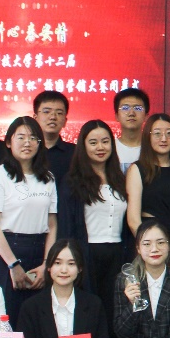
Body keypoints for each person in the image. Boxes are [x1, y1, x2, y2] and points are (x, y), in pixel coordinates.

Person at [0, 116, 58, 320]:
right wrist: (13, 265)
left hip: (39, 253)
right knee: (6, 318)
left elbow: (52, 225)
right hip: (6, 252)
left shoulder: (48, 178)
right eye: (21, 137)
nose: (27, 143)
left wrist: (46, 264)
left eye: (33, 138)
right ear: (8, 142)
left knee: (36, 320)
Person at [57, 119, 129, 314]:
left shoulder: (120, 179)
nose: (100, 147)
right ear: (83, 146)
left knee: (115, 309)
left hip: (117, 253)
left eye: (105, 141)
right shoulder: (72, 181)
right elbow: (66, 226)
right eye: (93, 142)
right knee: (88, 310)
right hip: (86, 254)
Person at [126, 113, 170, 269]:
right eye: (157, 134)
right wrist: (150, 247)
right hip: (148, 242)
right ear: (148, 136)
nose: (164, 139)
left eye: (169, 133)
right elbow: (133, 219)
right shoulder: (137, 169)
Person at [18, 238, 111, 338]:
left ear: (80, 268)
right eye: (57, 263)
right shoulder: (31, 307)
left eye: (71, 264)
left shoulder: (94, 304)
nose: (64, 270)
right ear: (49, 267)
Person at [33, 89, 73, 183]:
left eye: (59, 113)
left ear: (65, 121)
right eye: (46, 112)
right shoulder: (26, 151)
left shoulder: (76, 153)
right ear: (35, 118)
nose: (53, 117)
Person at [113, 87, 150, 173]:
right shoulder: (110, 148)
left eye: (138, 108)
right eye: (125, 108)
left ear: (146, 116)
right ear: (117, 116)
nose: (131, 113)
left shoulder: (153, 148)